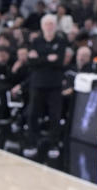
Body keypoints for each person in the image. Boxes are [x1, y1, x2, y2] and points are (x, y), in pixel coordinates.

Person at [23, 14, 68, 158]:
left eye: (51, 24)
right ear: (42, 26)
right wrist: (48, 58)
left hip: (55, 84)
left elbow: (59, 62)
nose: (49, 26)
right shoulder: (36, 41)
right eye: (46, 24)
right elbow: (31, 62)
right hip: (37, 83)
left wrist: (40, 59)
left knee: (55, 115)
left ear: (55, 26)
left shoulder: (61, 41)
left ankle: (53, 144)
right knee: (33, 114)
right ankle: (32, 143)